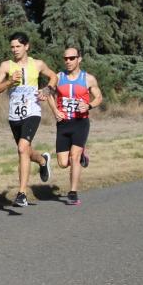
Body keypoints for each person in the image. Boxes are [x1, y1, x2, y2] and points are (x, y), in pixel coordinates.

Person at [0, 32, 58, 207]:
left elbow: (53, 76)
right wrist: (9, 82)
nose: (15, 50)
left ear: (26, 46)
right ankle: (43, 160)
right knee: (25, 151)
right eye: (12, 47)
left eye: (18, 46)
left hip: (32, 112)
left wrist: (47, 90)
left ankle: (22, 194)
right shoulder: (6, 66)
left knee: (22, 148)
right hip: (14, 115)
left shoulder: (37, 64)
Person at [51, 47, 103, 205]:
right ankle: (82, 157)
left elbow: (99, 97)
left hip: (80, 122)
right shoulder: (58, 77)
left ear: (79, 59)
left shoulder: (88, 79)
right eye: (65, 58)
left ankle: (73, 192)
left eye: (72, 58)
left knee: (74, 157)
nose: (68, 61)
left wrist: (88, 106)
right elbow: (49, 95)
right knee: (62, 163)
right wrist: (54, 111)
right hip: (63, 123)